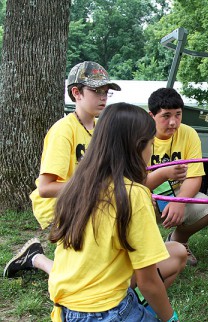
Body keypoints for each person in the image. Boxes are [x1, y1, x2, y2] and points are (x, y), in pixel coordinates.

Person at [48, 102, 181, 322]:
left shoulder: (76, 186)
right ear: (138, 147)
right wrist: (171, 318)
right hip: (106, 313)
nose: (151, 151)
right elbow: (148, 281)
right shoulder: (134, 194)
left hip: (64, 311)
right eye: (150, 144)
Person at [3, 61, 121, 278]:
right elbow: (46, 189)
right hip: (59, 208)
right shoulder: (63, 131)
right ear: (76, 93)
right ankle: (35, 258)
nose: (103, 97)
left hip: (87, 203)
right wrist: (94, 186)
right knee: (80, 276)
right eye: (96, 91)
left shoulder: (98, 130)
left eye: (106, 91)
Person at [145, 88, 208, 266]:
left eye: (178, 115)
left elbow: (194, 176)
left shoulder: (189, 133)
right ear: (151, 115)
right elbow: (134, 182)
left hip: (177, 192)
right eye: (166, 116)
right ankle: (143, 252)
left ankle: (178, 241)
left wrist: (180, 201)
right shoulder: (139, 136)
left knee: (205, 206)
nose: (173, 122)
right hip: (145, 195)